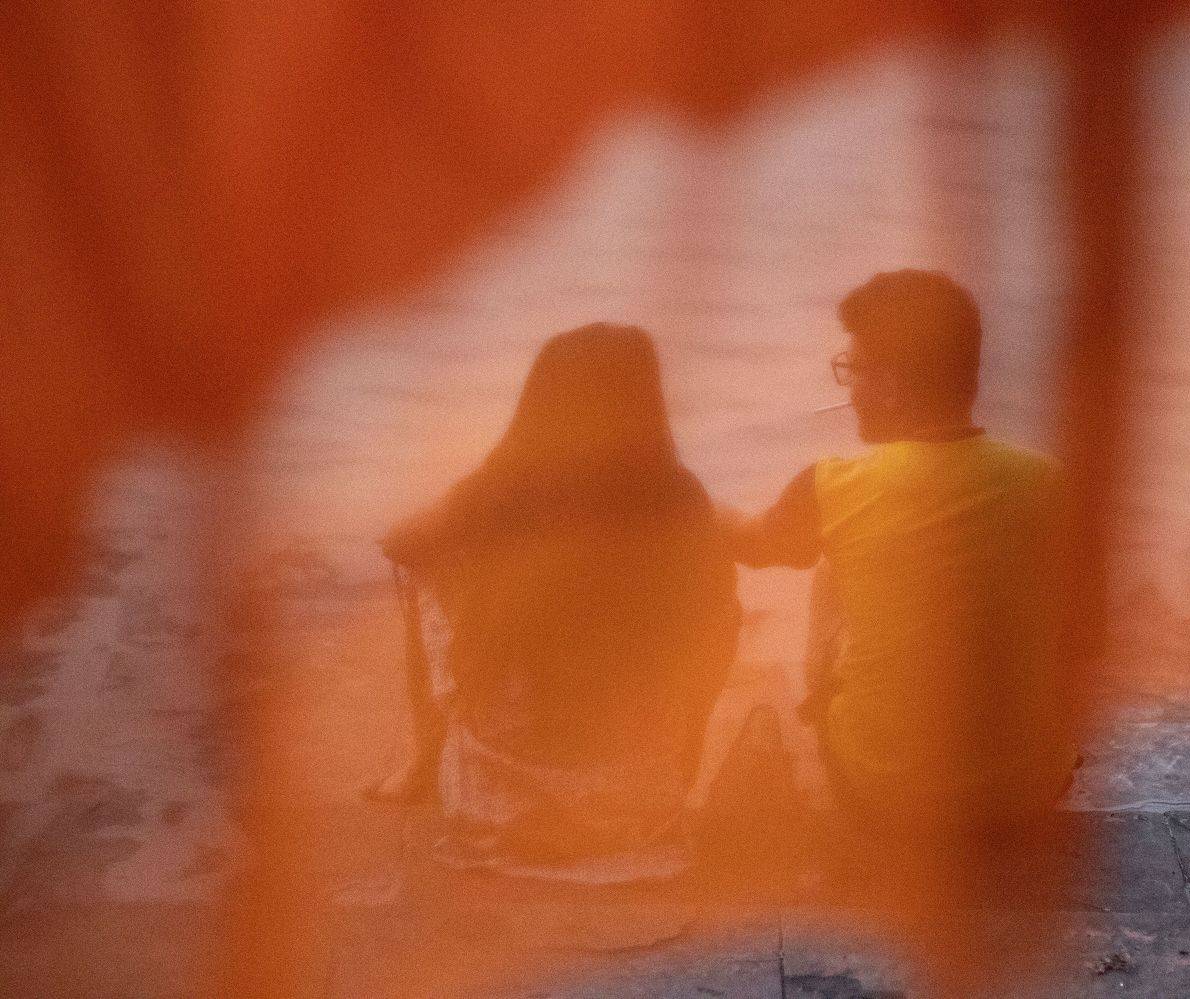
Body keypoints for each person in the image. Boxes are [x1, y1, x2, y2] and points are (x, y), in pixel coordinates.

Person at [728, 270, 1074, 850]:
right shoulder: (1047, 480)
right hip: (1027, 797)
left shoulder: (834, 486)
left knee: (831, 571)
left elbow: (754, 546)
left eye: (853, 370)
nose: (850, 390)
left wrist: (682, 500)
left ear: (889, 384)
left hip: (890, 799)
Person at [379, 323, 740, 876]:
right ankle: (680, 760)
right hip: (634, 803)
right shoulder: (679, 497)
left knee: (425, 566)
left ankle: (420, 758)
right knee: (716, 597)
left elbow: (398, 543)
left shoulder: (497, 490)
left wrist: (483, 542)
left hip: (499, 805)